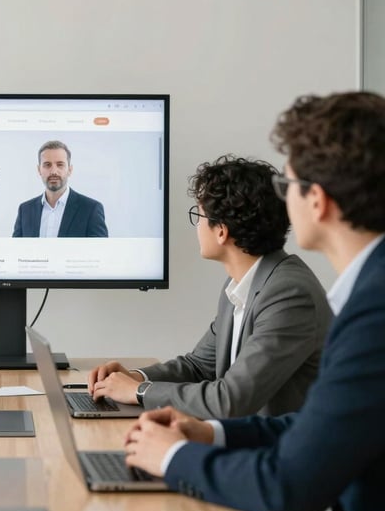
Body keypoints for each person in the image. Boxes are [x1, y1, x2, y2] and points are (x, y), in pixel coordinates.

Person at [124, 92, 385, 511]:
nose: (280, 199)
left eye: (286, 183)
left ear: (318, 200)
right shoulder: (366, 292)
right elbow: (314, 425)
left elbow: (289, 485)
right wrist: (209, 433)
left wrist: (176, 457)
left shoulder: (371, 309)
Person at [88, 156, 331, 419]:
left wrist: (140, 391)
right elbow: (199, 366)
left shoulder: (289, 295)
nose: (197, 226)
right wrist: (134, 377)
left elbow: (230, 399)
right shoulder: (241, 283)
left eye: (199, 215)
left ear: (221, 232)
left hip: (277, 452)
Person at [12, 140, 108, 238]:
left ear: (70, 170)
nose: (54, 171)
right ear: (39, 170)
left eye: (60, 164)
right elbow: (15, 251)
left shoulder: (91, 209)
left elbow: (100, 252)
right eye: (47, 165)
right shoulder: (25, 210)